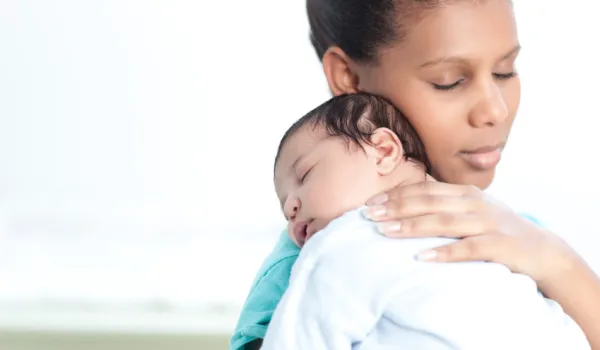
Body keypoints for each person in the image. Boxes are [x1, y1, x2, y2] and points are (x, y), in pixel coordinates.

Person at [230, 1, 600, 349]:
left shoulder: (519, 234)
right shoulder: (306, 264)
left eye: (505, 71)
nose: (495, 110)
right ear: (348, 76)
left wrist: (558, 263)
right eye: (449, 80)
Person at [261, 92, 589, 349]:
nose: (291, 206)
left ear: (384, 150)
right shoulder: (494, 231)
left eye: (304, 174)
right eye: (283, 204)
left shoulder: (343, 244)